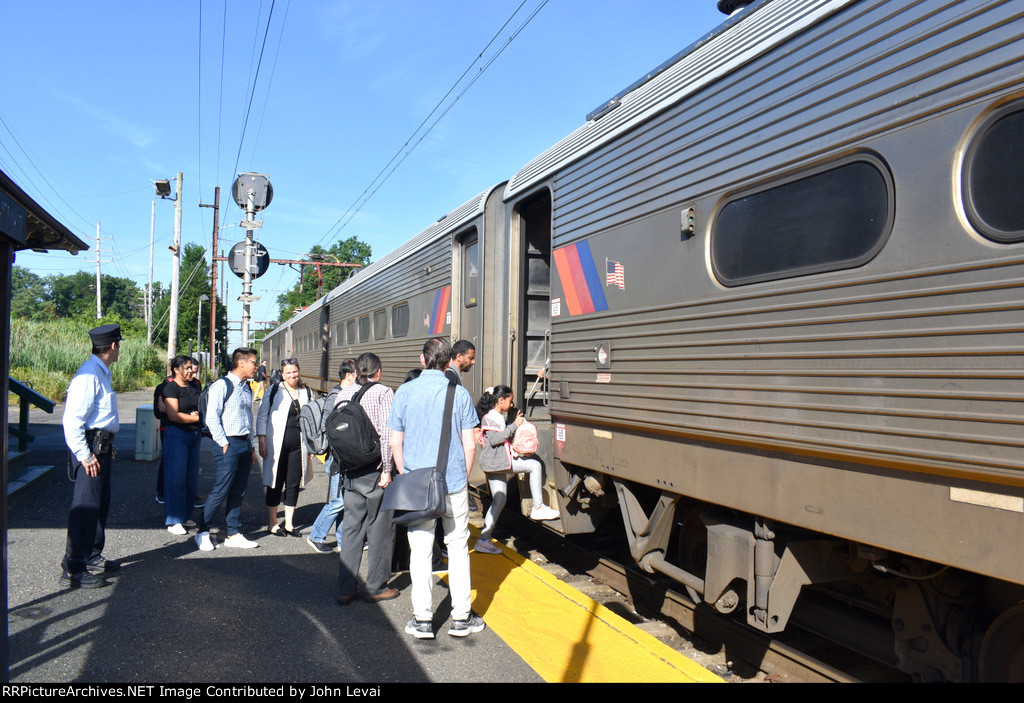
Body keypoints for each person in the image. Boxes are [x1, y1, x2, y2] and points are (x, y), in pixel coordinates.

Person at [389, 338, 482, 639]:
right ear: (447, 362)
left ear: (421, 359)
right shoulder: (460, 394)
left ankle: (423, 621)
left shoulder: (405, 391)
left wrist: (405, 474)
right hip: (452, 483)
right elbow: (470, 445)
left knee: (420, 550)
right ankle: (461, 618)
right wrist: (460, 479)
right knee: (457, 548)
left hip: (417, 483)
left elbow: (394, 442)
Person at [60, 323, 123, 588]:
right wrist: (85, 455)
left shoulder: (100, 372)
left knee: (99, 506)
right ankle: (73, 568)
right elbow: (72, 420)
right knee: (85, 508)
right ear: (112, 346)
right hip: (90, 449)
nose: (119, 348)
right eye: (119, 344)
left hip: (101, 448)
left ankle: (92, 555)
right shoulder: (89, 375)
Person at [336, 352, 399, 604]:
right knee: (380, 528)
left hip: (350, 471)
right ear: (378, 371)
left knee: (352, 528)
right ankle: (375, 586)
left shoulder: (343, 394)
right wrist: (387, 469)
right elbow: (386, 433)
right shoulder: (384, 393)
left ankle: (344, 588)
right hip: (374, 470)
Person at [474, 386, 559, 554]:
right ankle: (538, 507)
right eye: (510, 400)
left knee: (499, 500)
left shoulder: (495, 416)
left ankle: (483, 539)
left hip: (496, 463)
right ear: (501, 400)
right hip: (497, 463)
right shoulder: (490, 418)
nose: (512, 403)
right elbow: (495, 439)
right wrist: (514, 425)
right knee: (534, 466)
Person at [196, 347, 260, 551]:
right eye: (253, 362)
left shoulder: (246, 387)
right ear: (241, 362)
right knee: (221, 488)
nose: (256, 366)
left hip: (243, 443)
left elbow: (249, 418)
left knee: (239, 489)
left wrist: (251, 446)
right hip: (228, 443)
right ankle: (203, 531)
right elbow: (211, 418)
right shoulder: (222, 385)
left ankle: (233, 532)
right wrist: (223, 443)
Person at [257, 358, 314, 536]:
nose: (292, 375)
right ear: (282, 374)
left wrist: (311, 446)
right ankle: (273, 523)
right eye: (288, 372)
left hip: (299, 446)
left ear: (299, 372)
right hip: (276, 445)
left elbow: (312, 420)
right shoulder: (274, 390)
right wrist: (262, 441)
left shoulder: (307, 391)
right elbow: (262, 416)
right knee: (275, 483)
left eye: (294, 372)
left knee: (293, 484)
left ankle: (289, 523)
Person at [307, 358, 357, 554]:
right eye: (356, 375)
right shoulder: (335, 397)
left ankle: (342, 541)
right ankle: (316, 536)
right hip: (336, 458)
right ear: (348, 376)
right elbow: (328, 427)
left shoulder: (340, 394)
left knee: (343, 499)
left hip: (341, 458)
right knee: (338, 501)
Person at [162, 355, 203, 535]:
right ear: (176, 369)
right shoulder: (170, 388)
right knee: (176, 477)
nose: (190, 371)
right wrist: (196, 417)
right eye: (186, 368)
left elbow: (201, 407)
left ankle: (185, 515)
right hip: (177, 435)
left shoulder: (194, 386)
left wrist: (196, 416)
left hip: (194, 434)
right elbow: (173, 415)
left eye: (191, 368)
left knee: (191, 478)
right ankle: (173, 519)